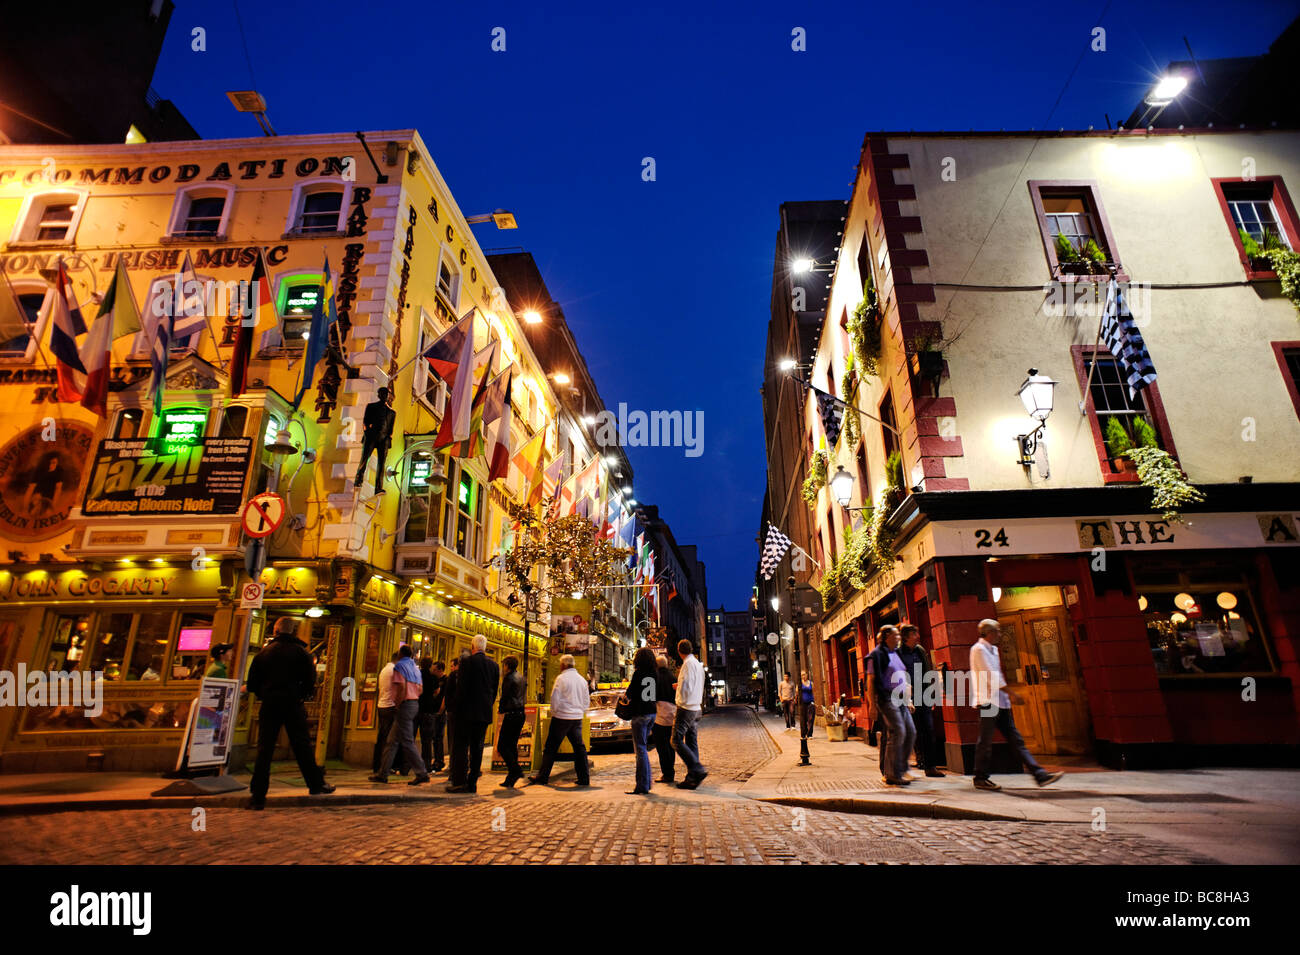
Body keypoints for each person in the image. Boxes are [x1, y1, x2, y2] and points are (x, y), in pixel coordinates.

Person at [246, 617, 335, 809]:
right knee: (302, 746)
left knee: (264, 749)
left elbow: (252, 684)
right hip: (293, 703)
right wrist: (300, 695)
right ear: (292, 631)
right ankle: (316, 784)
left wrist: (266, 693)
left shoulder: (263, 654)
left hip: (269, 704)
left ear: (276, 631)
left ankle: (258, 796)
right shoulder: (301, 653)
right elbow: (311, 681)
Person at [970, 619, 1063, 791]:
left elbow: (997, 675)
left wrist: (1007, 697)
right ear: (989, 633)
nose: (999, 634)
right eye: (997, 631)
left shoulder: (994, 650)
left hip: (1001, 702)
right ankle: (980, 777)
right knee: (985, 741)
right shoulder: (979, 649)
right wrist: (1012, 694)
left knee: (1016, 740)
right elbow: (991, 676)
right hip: (988, 702)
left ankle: (1040, 775)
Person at [369, 645, 430, 785]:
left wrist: (398, 703)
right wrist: (412, 696)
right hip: (414, 703)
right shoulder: (415, 668)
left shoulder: (400, 667)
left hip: (405, 705)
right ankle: (382, 773)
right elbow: (420, 689)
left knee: (407, 741)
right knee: (392, 741)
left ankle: (421, 773)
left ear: (400, 655)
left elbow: (401, 687)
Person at [528, 654, 591, 787]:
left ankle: (543, 776)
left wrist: (555, 712)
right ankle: (584, 778)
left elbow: (555, 698)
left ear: (563, 665)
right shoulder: (581, 680)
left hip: (562, 717)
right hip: (576, 718)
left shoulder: (561, 678)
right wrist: (580, 711)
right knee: (579, 748)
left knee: (551, 747)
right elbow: (586, 700)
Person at [447, 635, 499, 793]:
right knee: (478, 748)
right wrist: (487, 706)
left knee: (461, 746)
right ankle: (472, 783)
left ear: (472, 646)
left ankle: (459, 781)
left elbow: (462, 689)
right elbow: (494, 691)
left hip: (466, 712)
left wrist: (455, 707)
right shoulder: (494, 666)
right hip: (483, 713)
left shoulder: (467, 663)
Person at [865, 625, 915, 786]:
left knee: (911, 731)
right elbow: (871, 681)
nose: (899, 638)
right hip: (886, 698)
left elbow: (902, 678)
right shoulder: (876, 655)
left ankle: (899, 768)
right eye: (896, 635)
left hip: (901, 698)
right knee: (897, 731)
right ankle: (891, 773)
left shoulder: (895, 653)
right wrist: (872, 705)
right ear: (887, 636)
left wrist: (908, 700)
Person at [898, 623, 944, 778]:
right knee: (911, 731)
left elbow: (928, 672)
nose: (917, 636)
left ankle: (930, 767)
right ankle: (915, 761)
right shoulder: (897, 653)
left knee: (929, 729)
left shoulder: (920, 650)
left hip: (922, 695)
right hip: (906, 697)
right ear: (905, 637)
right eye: (914, 634)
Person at [672, 639, 708, 789]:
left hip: (686, 706)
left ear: (679, 651)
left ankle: (696, 768)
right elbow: (696, 683)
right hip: (696, 706)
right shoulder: (697, 664)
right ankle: (692, 777)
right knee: (691, 740)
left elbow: (686, 684)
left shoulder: (687, 664)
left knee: (676, 740)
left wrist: (679, 697)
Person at [625, 647, 659, 795]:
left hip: (640, 713)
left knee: (640, 750)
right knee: (643, 748)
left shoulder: (638, 673)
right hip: (652, 713)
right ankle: (646, 782)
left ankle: (642, 785)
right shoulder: (654, 673)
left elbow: (630, 693)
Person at [354, 386, 395, 495]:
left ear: (388, 396)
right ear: (379, 395)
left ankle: (378, 488)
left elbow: (390, 429)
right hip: (372, 436)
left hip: (384, 440)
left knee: (381, 464)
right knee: (365, 458)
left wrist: (388, 439)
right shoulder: (371, 406)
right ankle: (358, 480)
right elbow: (366, 422)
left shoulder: (392, 413)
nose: (384, 396)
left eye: (386, 394)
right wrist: (368, 433)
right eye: (382, 394)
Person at [371, 652, 405, 775]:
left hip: (382, 705)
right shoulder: (394, 670)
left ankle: (377, 765)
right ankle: (386, 766)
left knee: (382, 736)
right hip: (390, 706)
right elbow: (400, 688)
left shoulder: (384, 670)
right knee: (390, 739)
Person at [496, 655, 526, 788]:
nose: (503, 668)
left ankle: (515, 770)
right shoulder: (521, 677)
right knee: (512, 745)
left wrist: (501, 709)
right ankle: (511, 776)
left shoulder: (508, 678)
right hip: (520, 713)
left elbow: (505, 695)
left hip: (512, 714)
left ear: (507, 666)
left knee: (502, 746)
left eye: (504, 665)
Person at [652, 655, 678, 784]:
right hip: (672, 714)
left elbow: (651, 697)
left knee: (661, 747)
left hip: (659, 716)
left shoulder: (654, 677)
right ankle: (670, 771)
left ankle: (666, 773)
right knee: (670, 745)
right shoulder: (673, 677)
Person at [416, 656, 439, 772]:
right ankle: (426, 765)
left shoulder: (417, 675)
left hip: (416, 708)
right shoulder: (433, 678)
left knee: (410, 738)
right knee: (427, 740)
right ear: (430, 665)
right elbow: (437, 691)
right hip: (429, 710)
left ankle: (407, 765)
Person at [427, 661, 447, 771]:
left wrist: (441, 711)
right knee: (435, 737)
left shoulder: (446, 680)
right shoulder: (435, 680)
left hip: (439, 712)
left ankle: (439, 761)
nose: (432, 672)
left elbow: (445, 697)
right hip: (433, 711)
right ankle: (437, 760)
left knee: (438, 737)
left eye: (434, 670)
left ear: (440, 670)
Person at [798, 671, 816, 740]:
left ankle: (810, 734)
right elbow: (797, 693)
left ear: (807, 675)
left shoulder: (811, 683)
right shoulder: (799, 684)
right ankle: (803, 734)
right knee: (804, 719)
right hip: (803, 703)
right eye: (802, 675)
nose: (803, 676)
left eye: (804, 675)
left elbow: (813, 692)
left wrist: (814, 702)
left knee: (811, 718)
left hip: (810, 702)